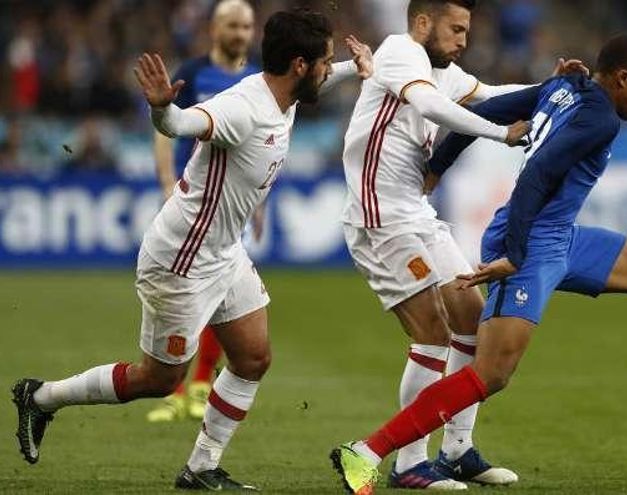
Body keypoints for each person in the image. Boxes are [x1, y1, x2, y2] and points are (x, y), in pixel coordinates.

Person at [331, 34, 627, 495]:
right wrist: (514, 254)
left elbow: (478, 114)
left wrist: (439, 164)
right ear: (621, 79)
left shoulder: (561, 88)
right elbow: (537, 175)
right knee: (492, 372)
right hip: (530, 241)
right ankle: (368, 452)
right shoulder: (600, 119)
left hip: (560, 236)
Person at [12, 9, 373, 490]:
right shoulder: (242, 108)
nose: (330, 69)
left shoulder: (285, 94)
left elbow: (321, 83)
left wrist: (355, 69)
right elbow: (181, 124)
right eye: (326, 62)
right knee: (161, 379)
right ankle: (41, 398)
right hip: (181, 259)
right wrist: (162, 108)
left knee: (253, 358)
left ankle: (201, 467)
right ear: (300, 65)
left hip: (224, 252)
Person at [339, 0, 585, 489]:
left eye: (467, 30)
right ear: (424, 23)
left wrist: (553, 87)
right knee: (431, 333)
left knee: (472, 319)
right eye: (456, 29)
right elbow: (431, 107)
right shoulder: (398, 53)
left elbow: (494, 93)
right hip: (380, 219)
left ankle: (456, 450)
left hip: (417, 216)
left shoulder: (441, 71)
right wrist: (499, 134)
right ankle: (409, 463)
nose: (463, 40)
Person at [149, 0, 259, 424]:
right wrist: (164, 181)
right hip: (189, 196)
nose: (240, 33)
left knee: (220, 293)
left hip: (231, 203)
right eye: (233, 25)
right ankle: (178, 389)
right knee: (185, 294)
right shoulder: (192, 73)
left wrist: (260, 204)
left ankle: (197, 386)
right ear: (214, 29)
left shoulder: (257, 78)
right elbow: (164, 128)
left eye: (247, 26)